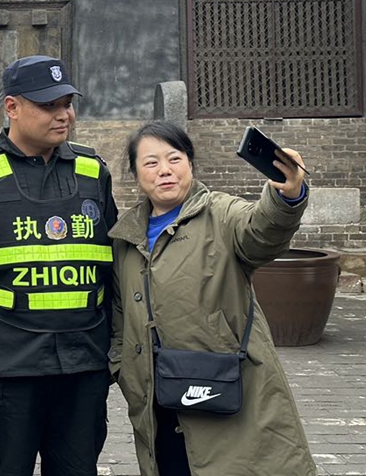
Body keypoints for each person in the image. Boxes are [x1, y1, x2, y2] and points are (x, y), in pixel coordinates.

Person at [0, 55, 119, 476]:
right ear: (12, 107)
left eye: (67, 103)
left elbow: (115, 267)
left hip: (83, 361)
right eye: (48, 105)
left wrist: (117, 349)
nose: (63, 115)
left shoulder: (94, 171)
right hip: (7, 363)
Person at [109, 121, 316, 476]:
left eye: (174, 159)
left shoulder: (220, 213)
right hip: (157, 401)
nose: (165, 171)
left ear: (190, 163)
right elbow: (118, 312)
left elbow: (260, 232)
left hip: (227, 389)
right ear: (135, 174)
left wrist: (286, 197)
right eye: (151, 163)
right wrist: (122, 365)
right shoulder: (124, 238)